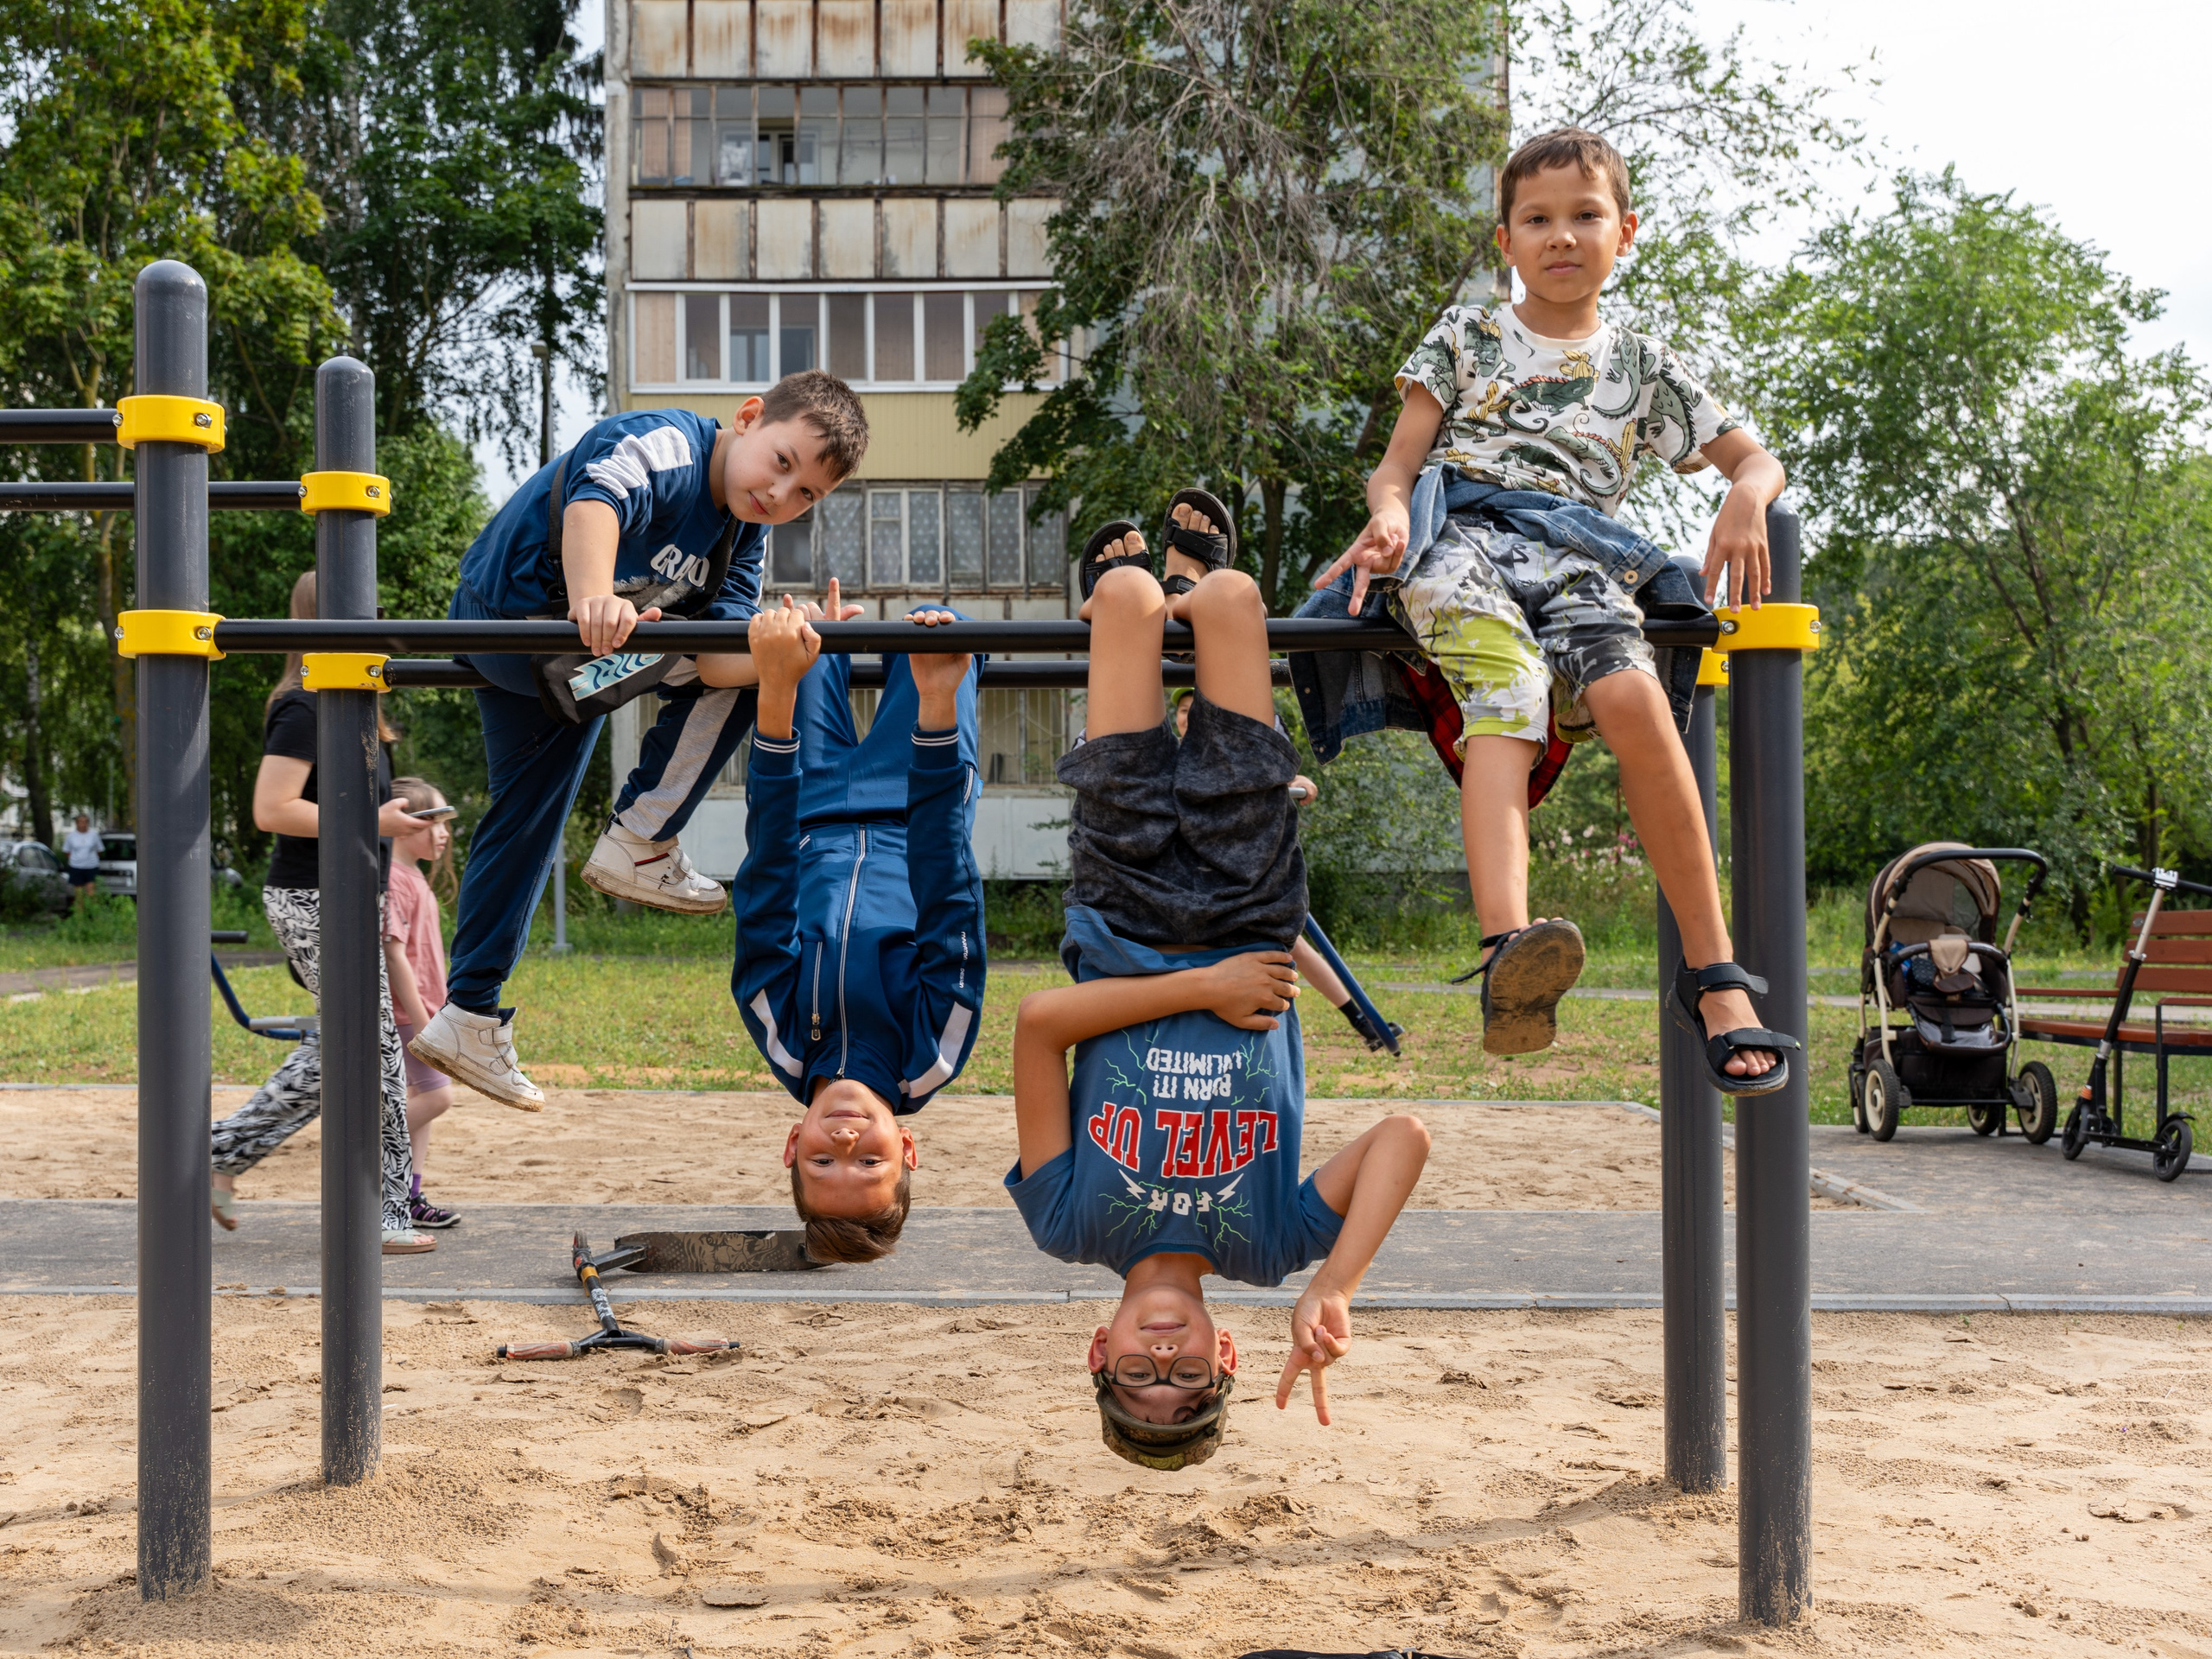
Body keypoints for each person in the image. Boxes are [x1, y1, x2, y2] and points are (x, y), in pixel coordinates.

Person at [1316, 126, 1799, 1095]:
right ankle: (1508, 949)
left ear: (1625, 233)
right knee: (1511, 685)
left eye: (1585, 217)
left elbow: (1753, 456)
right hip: (1460, 539)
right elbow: (1398, 465)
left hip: (1580, 556)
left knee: (1632, 698)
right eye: (1537, 219)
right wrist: (1384, 520)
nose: (1561, 236)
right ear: (1506, 240)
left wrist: (1746, 493)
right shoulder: (1465, 335)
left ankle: (1715, 975)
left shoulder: (1642, 363)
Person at [1010, 501, 1431, 1471]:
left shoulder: (1066, 1223)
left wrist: (1198, 987)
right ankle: (1196, 577)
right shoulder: (1268, 1243)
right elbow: (1402, 1140)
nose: (1164, 1359)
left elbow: (1039, 1027)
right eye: (1189, 1378)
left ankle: (1153, 589)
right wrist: (1335, 1284)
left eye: (1138, 1377)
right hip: (1248, 907)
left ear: (1098, 1353)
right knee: (1235, 601)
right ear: (1225, 1352)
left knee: (1121, 598)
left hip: (1121, 913)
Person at [408, 373, 868, 1109]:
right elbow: (597, 496)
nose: (782, 496)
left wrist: (802, 644)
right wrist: (594, 591)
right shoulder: (669, 446)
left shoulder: (741, 539)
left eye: (806, 495)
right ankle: (644, 837)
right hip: (519, 616)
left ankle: (468, 1011)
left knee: (526, 825)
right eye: (782, 463)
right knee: (729, 650)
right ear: (749, 419)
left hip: (573, 665)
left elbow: (720, 665)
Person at [718, 579, 984, 1264]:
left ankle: (824, 646)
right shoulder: (931, 1048)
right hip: (915, 795)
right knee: (944, 633)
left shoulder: (782, 1034)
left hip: (808, 800)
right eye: (871, 1167)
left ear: (791, 1147)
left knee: (797, 633)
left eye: (821, 1167)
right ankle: (916, 666)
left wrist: (774, 698)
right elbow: (946, 883)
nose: (844, 1149)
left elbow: (767, 883)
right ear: (908, 1150)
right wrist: (934, 708)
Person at [210, 570, 435, 1255]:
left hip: (346, 896)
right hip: (311, 899)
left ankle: (217, 1152)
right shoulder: (304, 705)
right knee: (376, 1048)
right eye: (364, 611)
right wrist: (375, 820)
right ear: (325, 619)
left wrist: (390, 822)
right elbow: (272, 808)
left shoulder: (356, 705)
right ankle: (387, 1212)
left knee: (341, 1052)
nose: (379, 624)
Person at [1169, 690, 1399, 1053]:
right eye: (1183, 711)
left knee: (1296, 946)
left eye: (1197, 710)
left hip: (1246, 870)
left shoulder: (1232, 752)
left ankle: (1361, 1019)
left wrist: (1299, 780)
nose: (1189, 717)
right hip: (1193, 876)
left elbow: (1279, 776)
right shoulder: (1169, 758)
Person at [385, 776, 461, 1230]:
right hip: (407, 1014)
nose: (444, 832)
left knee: (425, 1097)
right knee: (437, 1097)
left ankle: (410, 1193)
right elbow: (394, 953)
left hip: (426, 1008)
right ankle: (366, 1154)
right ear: (400, 825)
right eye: (433, 821)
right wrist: (418, 1014)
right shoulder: (395, 880)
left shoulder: (412, 876)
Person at [60, 813, 102, 909]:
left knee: (91, 893)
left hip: (91, 866)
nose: (83, 824)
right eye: (81, 822)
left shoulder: (94, 835)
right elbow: (67, 851)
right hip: (76, 867)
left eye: (85, 822)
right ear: (77, 823)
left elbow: (99, 850)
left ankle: (93, 915)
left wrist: (91, 859)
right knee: (79, 894)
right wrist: (75, 859)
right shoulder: (71, 836)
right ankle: (80, 917)